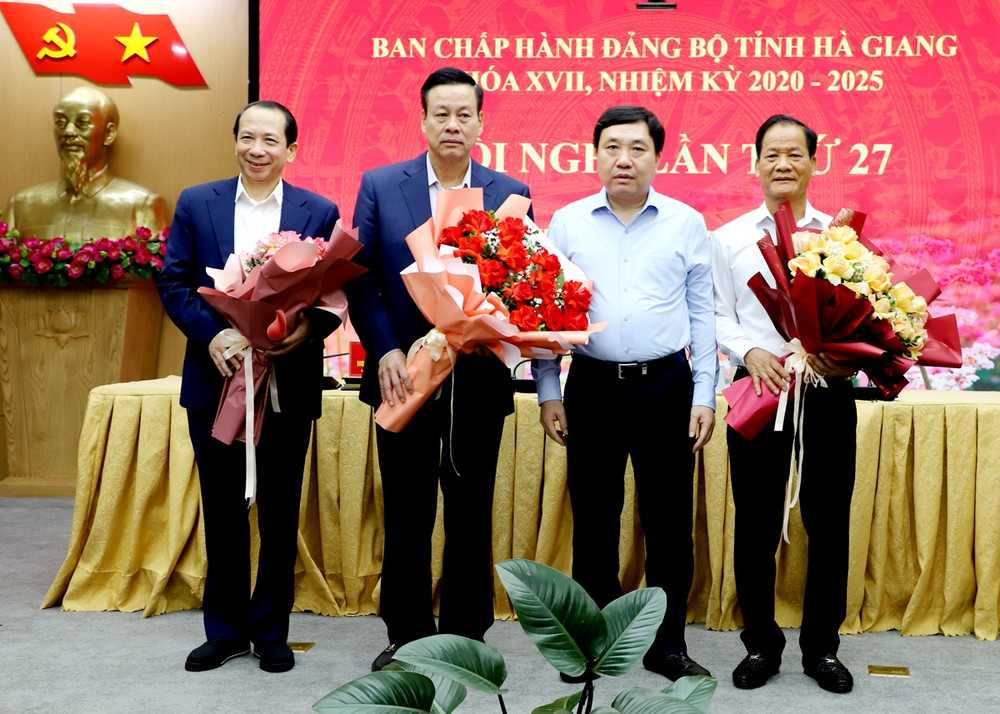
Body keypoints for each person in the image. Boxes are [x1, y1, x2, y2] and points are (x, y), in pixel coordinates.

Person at [346, 67, 531, 671]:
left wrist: (480, 325)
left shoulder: (510, 189)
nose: (453, 124)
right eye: (441, 114)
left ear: (481, 122)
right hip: (406, 377)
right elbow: (364, 281)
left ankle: (467, 634)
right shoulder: (381, 184)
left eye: (464, 114)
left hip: (477, 377)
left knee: (472, 505)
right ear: (422, 120)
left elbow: (521, 283)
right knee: (406, 508)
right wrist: (388, 352)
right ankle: (405, 634)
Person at [532, 105, 716, 683]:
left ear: (658, 157)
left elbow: (703, 313)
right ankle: (592, 643)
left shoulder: (686, 223)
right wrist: (546, 390)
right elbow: (543, 310)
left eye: (637, 148)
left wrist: (704, 395)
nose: (624, 159)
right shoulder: (567, 223)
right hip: (591, 387)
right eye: (612, 146)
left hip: (666, 387)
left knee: (668, 526)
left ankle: (668, 645)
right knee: (594, 523)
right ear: (594, 154)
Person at [157, 100, 341, 674]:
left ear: (292, 149)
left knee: (282, 509)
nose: (257, 149)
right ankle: (225, 630)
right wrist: (214, 336)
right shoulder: (197, 202)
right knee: (222, 508)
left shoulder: (319, 210)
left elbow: (333, 297)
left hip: (286, 382)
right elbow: (175, 281)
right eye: (247, 138)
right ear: (235, 141)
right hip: (217, 381)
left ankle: (272, 631)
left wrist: (302, 328)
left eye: (270, 141)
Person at [711, 114, 857, 694]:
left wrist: (839, 354)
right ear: (756, 164)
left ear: (814, 164)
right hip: (760, 391)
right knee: (755, 522)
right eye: (772, 154)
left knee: (829, 522)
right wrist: (749, 352)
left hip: (825, 392)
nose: (783, 165)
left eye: (795, 154)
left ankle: (822, 648)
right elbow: (717, 312)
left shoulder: (841, 236)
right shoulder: (728, 238)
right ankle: (761, 645)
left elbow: (861, 312)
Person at [6, 86, 166, 242]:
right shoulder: (21, 205)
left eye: (82, 123)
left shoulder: (142, 205)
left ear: (109, 134)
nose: (68, 132)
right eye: (60, 123)